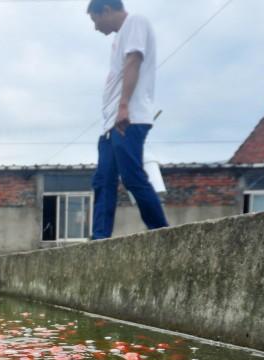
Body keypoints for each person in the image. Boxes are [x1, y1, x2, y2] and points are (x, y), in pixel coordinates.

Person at [87, 0, 169, 240]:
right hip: (111, 124)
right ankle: (100, 238)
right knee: (103, 181)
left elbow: (134, 60)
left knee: (132, 177)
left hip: (128, 118)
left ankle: (161, 233)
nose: (95, 27)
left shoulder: (135, 21)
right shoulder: (119, 36)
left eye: (95, 20)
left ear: (107, 10)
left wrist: (123, 106)